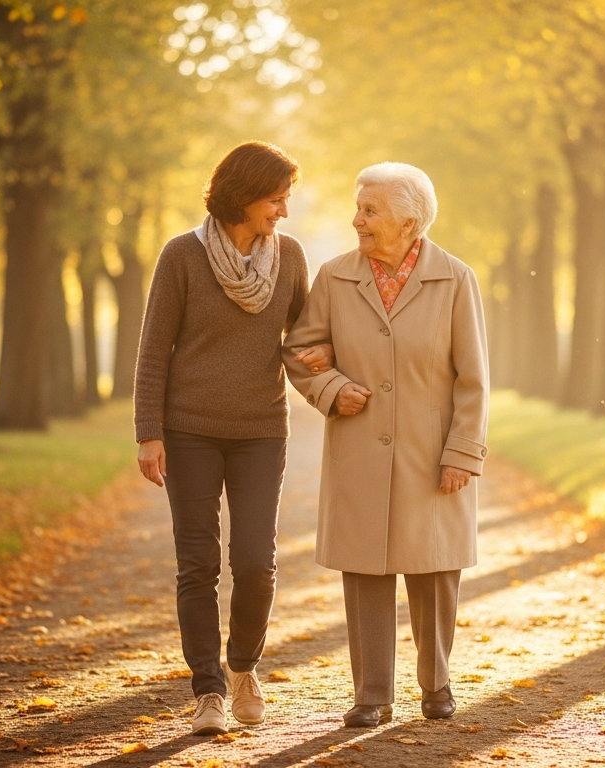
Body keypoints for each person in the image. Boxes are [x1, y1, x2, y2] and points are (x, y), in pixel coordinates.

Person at [133, 141, 333, 736]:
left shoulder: (289, 257)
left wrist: (328, 365)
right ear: (243, 196)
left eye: (286, 200)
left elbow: (304, 336)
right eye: (276, 200)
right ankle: (208, 691)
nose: (284, 211)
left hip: (260, 431)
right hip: (188, 429)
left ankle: (243, 667)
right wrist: (149, 433)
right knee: (197, 564)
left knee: (255, 564)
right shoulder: (182, 256)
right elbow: (153, 350)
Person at [283, 162, 489, 728]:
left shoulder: (455, 279)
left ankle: (436, 683)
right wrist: (331, 388)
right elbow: (298, 349)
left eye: (370, 211)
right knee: (365, 571)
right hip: (359, 448)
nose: (357, 220)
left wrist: (462, 452)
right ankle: (371, 694)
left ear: (408, 222)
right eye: (358, 208)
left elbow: (473, 379)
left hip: (431, 451)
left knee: (435, 569)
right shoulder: (334, 277)